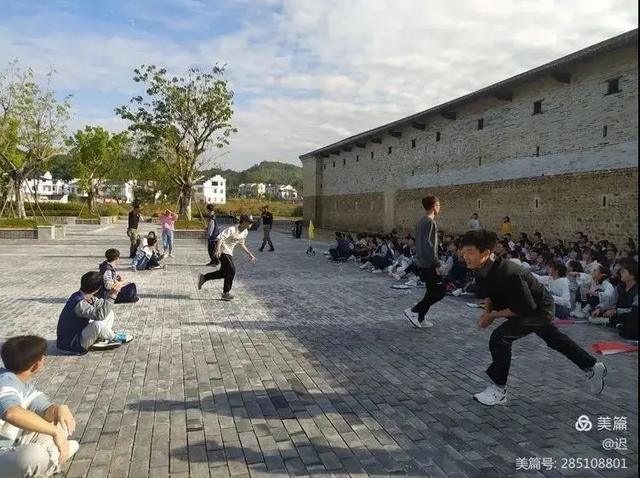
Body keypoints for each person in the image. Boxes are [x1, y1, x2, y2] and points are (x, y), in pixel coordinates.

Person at [460, 230, 606, 406]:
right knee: (555, 340)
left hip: (539, 310)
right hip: (523, 307)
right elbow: (490, 295)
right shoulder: (481, 270)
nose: (465, 256)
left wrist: (491, 316)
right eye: (464, 251)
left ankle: (499, 390)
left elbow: (524, 308)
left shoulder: (509, 273)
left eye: (470, 252)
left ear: (485, 253)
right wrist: (487, 313)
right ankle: (592, 367)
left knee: (500, 338)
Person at [0, 336, 80, 476]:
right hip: (5, 451)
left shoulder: (22, 384)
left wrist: (58, 409)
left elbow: (44, 410)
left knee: (62, 422)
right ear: (36, 364)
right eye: (44, 355)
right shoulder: (6, 381)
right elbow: (11, 413)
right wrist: (55, 432)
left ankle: (54, 455)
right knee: (34, 456)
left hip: (13, 439)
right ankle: (52, 461)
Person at [56, 271, 134, 354]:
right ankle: (114, 337)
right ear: (98, 289)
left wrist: (111, 293)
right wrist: (113, 295)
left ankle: (102, 336)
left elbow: (102, 307)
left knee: (109, 313)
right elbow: (100, 316)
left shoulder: (82, 295)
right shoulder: (80, 303)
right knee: (97, 324)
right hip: (71, 345)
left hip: (77, 334)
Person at [404, 196, 445, 328]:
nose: (439, 207)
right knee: (439, 293)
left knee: (430, 292)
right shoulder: (430, 223)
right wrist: (437, 264)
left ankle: (420, 318)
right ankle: (414, 311)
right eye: (438, 205)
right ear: (434, 206)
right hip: (429, 264)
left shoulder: (420, 221)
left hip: (422, 261)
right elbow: (429, 246)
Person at [197, 214, 257, 301]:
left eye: (252, 222)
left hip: (229, 252)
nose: (251, 224)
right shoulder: (232, 229)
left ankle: (204, 277)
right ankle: (226, 293)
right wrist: (217, 250)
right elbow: (220, 238)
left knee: (224, 273)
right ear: (243, 222)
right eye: (249, 222)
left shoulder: (245, 232)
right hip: (222, 250)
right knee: (232, 270)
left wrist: (249, 254)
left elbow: (241, 243)